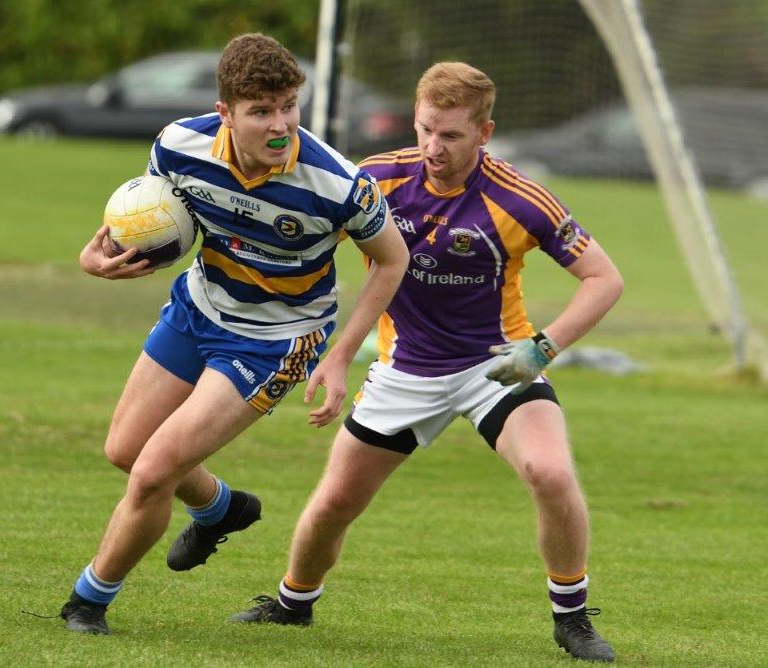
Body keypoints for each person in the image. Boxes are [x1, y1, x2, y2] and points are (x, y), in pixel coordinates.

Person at [231, 62, 624, 663]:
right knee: (334, 503)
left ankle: (572, 619)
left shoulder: (519, 198)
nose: (433, 148)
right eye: (424, 130)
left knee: (550, 473)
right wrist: (330, 354)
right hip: (404, 371)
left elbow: (603, 279)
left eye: (451, 136)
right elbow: (303, 246)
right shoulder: (375, 180)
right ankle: (292, 602)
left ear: (484, 133)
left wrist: (541, 349)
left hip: (496, 367)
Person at [60, 33, 408, 636]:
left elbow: (393, 260)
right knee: (124, 451)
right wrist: (99, 256)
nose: (281, 126)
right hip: (198, 309)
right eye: (261, 112)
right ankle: (221, 509)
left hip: (277, 340)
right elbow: (151, 215)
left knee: (152, 472)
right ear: (225, 112)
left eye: (288, 107)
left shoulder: (337, 185)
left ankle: (87, 601)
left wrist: (339, 357)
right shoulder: (179, 144)